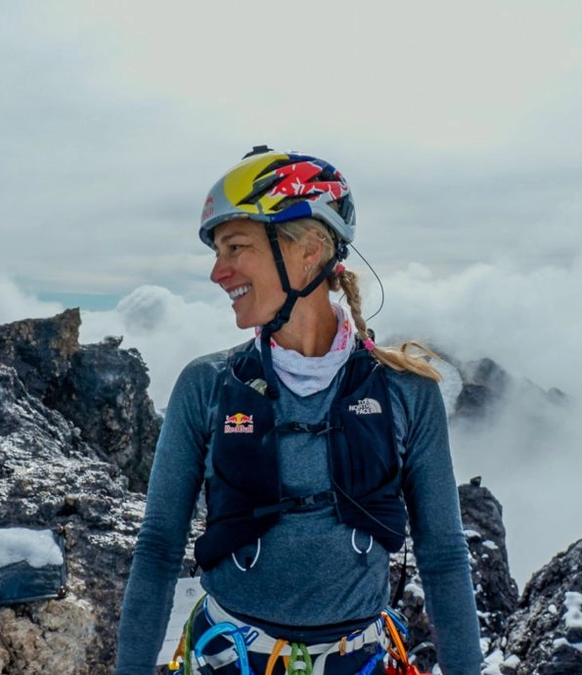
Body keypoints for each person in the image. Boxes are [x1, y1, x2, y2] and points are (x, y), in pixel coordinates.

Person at [115, 147, 483, 675]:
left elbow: (444, 555)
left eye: (235, 247)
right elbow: (157, 548)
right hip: (230, 658)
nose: (218, 272)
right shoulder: (207, 386)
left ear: (310, 249)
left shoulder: (406, 391)